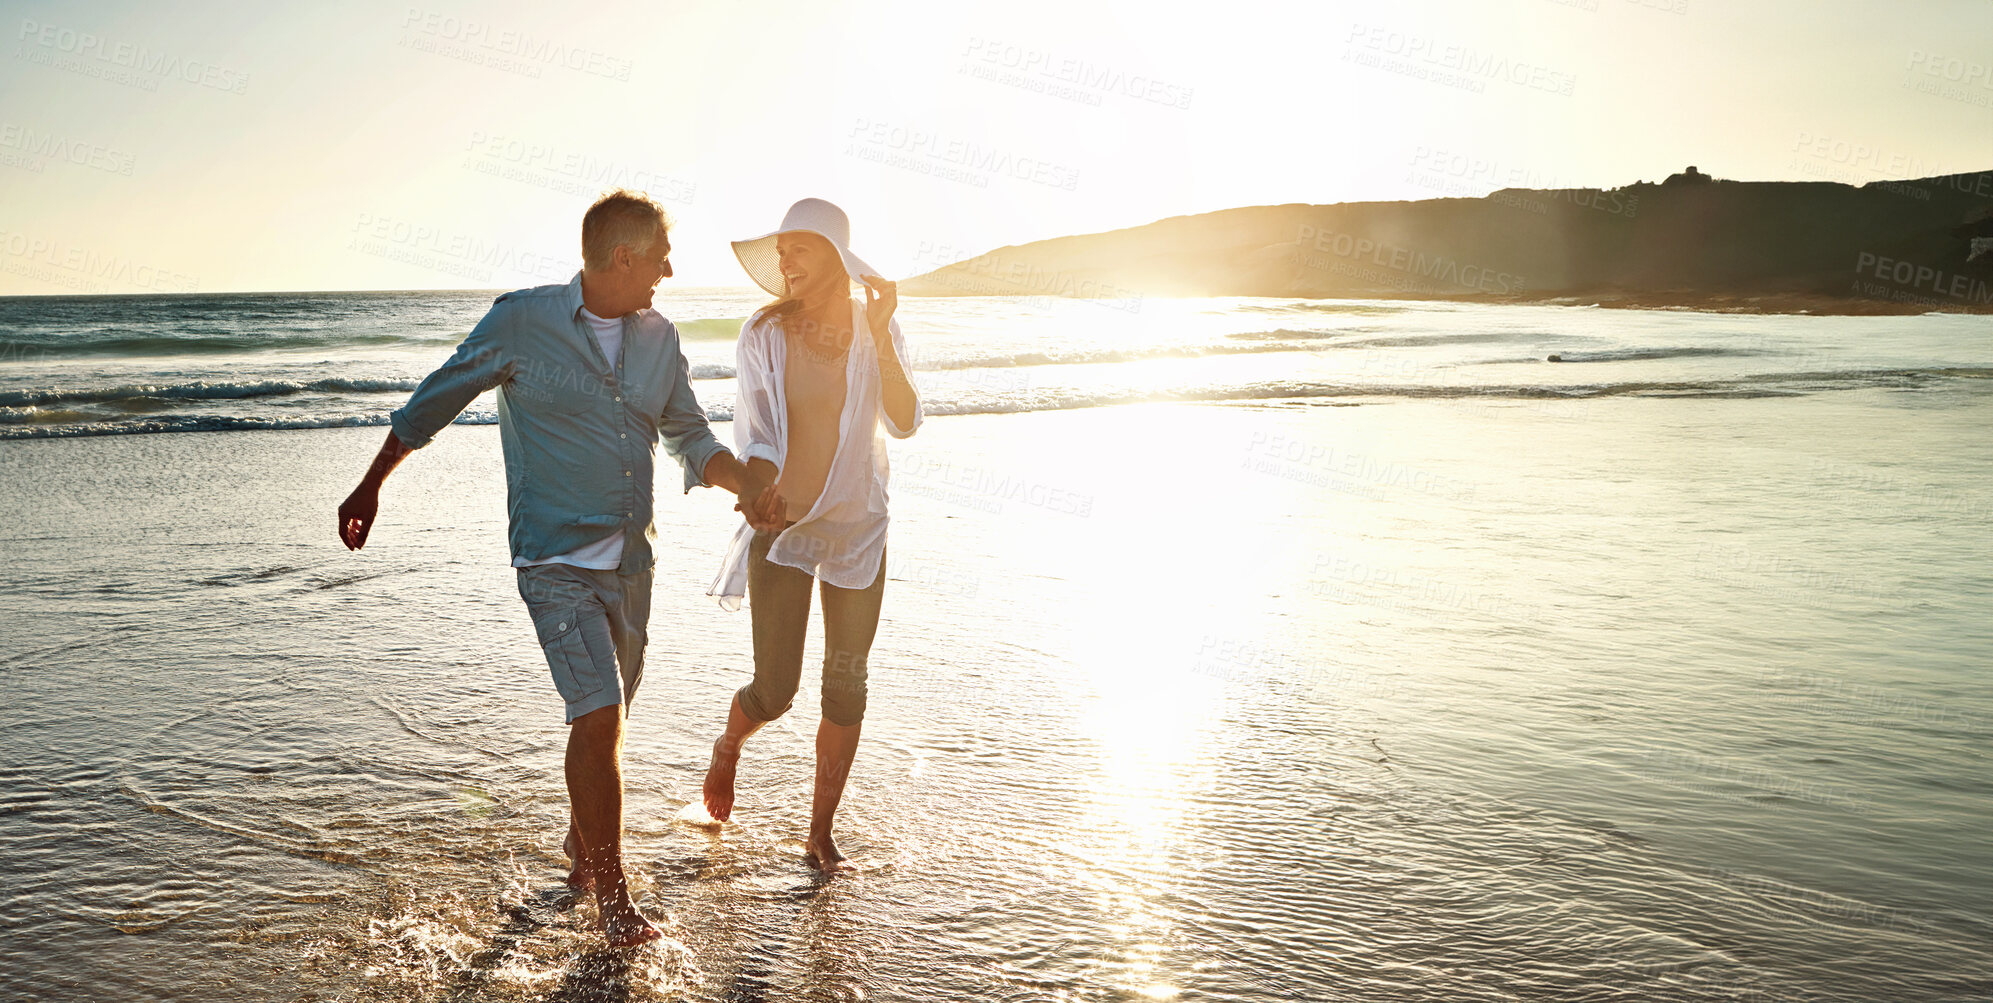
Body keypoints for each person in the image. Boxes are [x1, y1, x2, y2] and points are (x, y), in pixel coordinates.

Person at [336, 189, 786, 946]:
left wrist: (748, 488)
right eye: (658, 258)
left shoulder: (658, 338)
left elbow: (690, 436)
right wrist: (371, 482)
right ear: (621, 257)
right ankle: (611, 897)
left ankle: (585, 842)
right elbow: (433, 401)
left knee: (608, 719)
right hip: (551, 558)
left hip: (631, 562)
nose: (667, 271)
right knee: (598, 711)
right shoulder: (523, 321)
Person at [702, 198, 922, 873]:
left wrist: (882, 336)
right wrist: (753, 490)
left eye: (798, 247)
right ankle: (728, 746)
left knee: (847, 684)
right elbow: (760, 433)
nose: (785, 260)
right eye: (781, 249)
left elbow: (906, 419)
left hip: (857, 526)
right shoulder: (763, 332)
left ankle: (819, 832)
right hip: (786, 523)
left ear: (834, 256)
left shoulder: (872, 326)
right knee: (776, 688)